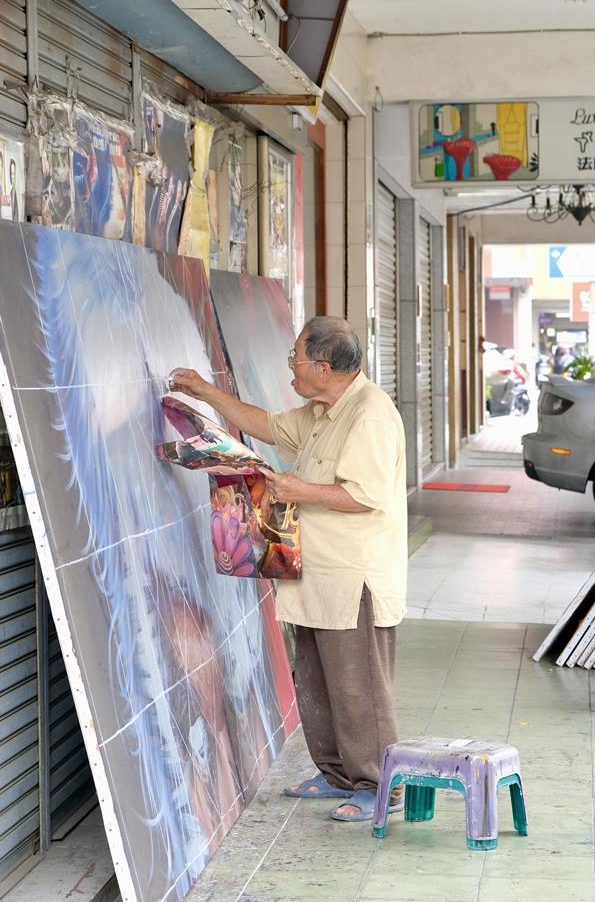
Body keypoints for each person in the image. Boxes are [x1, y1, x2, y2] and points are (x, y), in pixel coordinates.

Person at [169, 315, 408, 823]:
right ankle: (337, 773)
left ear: (323, 366)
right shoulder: (323, 411)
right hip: (314, 573)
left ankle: (378, 785)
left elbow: (365, 495)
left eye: (296, 360)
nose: (291, 369)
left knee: (357, 686)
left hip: (352, 579)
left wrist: (295, 489)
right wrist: (206, 392)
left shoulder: (369, 415)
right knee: (318, 681)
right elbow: (268, 426)